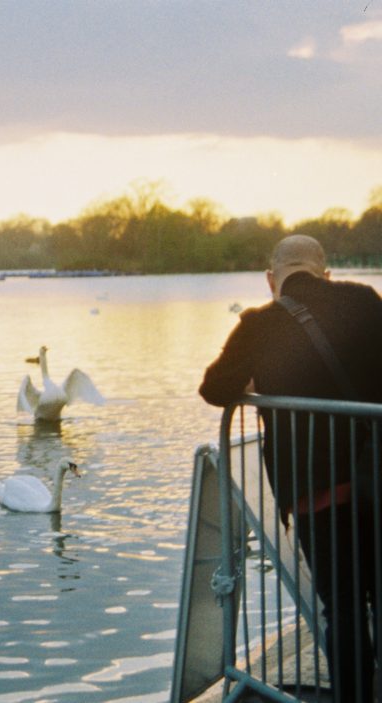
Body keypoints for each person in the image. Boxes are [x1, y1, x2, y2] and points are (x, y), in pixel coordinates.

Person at [200, 234, 382, 701]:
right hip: (377, 480)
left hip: (318, 489)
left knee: (342, 607)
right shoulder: (364, 301)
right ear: (326, 273)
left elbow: (215, 389)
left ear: (270, 280)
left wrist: (261, 379)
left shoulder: (260, 324)